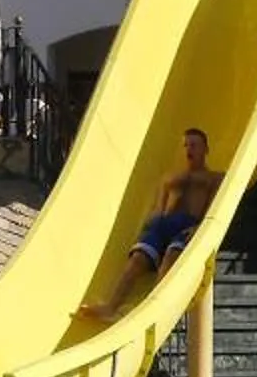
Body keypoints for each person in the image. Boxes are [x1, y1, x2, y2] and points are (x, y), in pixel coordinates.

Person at [83, 126, 222, 323]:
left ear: (205, 149)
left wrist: (200, 227)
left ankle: (148, 310)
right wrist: (150, 226)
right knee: (137, 260)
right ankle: (110, 307)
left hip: (187, 224)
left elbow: (215, 205)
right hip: (162, 224)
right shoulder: (170, 177)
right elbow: (159, 206)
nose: (189, 149)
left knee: (171, 257)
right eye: (185, 145)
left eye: (194, 145)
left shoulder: (214, 178)